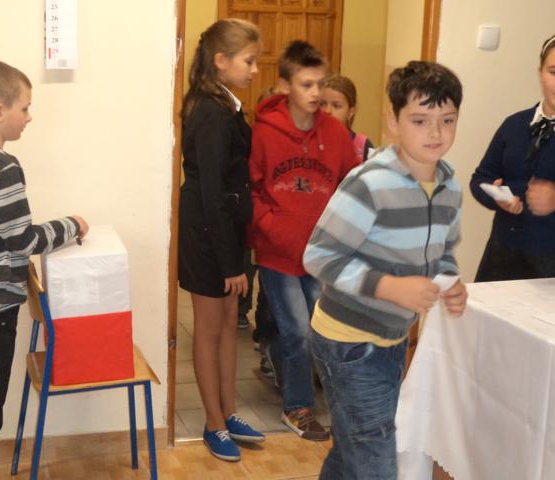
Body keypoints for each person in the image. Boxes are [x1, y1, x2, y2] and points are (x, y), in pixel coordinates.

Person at [304, 60, 468, 479]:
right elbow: (319, 256)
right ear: (393, 121)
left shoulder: (449, 186)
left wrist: (449, 281)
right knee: (375, 459)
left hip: (391, 339)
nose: (436, 133)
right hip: (347, 342)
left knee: (353, 447)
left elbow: (440, 251)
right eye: (420, 120)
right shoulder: (370, 183)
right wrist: (390, 287)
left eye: (447, 120)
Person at [0, 60, 89, 480]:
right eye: (25, 108)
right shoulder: (3, 167)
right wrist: (72, 225)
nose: (29, 117)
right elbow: (22, 241)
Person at [247, 40, 358, 441]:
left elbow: (352, 184)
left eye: (320, 84)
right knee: (297, 330)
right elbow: (252, 188)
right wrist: (271, 226)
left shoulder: (335, 133)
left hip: (321, 254)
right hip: (278, 254)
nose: (315, 93)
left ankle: (337, 401)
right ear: (285, 86)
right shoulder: (265, 131)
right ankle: (297, 408)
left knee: (324, 329)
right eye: (306, 84)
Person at [179, 18, 266, 462]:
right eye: (248, 61)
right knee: (210, 328)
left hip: (225, 230)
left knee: (230, 323)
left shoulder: (225, 103)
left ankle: (229, 413)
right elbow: (212, 193)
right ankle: (213, 423)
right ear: (220, 60)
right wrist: (230, 263)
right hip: (207, 234)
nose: (255, 69)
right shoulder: (210, 111)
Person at [470, 34, 555, 281]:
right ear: (540, 73)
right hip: (502, 253)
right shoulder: (514, 124)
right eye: (553, 72)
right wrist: (497, 198)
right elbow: (480, 178)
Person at [320, 73, 375, 162]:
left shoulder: (363, 145)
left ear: (351, 112)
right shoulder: (311, 142)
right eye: (322, 104)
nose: (327, 111)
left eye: (336, 106)